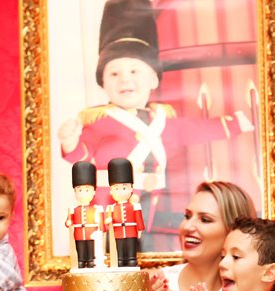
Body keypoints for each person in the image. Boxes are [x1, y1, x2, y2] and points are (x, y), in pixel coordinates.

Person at [57, 0, 254, 231]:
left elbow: (196, 130)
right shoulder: (99, 121)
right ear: (103, 83)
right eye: (114, 73)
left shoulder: (163, 120)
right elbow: (82, 156)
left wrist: (238, 123)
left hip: (150, 208)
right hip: (106, 210)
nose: (125, 79)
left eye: (134, 70)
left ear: (153, 79)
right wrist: (70, 142)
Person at [104, 158, 145, 267]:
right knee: (120, 246)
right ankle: (120, 260)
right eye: (116, 188)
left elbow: (138, 218)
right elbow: (107, 220)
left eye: (124, 188)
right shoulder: (111, 207)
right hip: (118, 232)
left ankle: (132, 259)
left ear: (131, 189)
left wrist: (140, 229)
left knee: (131, 246)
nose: (120, 191)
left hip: (131, 231)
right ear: (111, 191)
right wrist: (108, 221)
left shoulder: (135, 206)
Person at [65, 161, 105, 269]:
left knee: (91, 248)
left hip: (91, 233)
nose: (83, 193)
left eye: (87, 190)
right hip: (79, 234)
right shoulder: (73, 210)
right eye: (80, 190)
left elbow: (101, 224)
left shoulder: (95, 209)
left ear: (93, 192)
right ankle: (81, 261)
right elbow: (68, 221)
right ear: (75, 192)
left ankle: (91, 260)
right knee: (80, 248)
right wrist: (69, 222)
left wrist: (101, 230)